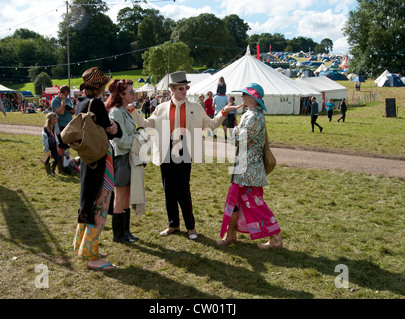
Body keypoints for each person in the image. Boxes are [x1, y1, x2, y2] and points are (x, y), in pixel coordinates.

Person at [127, 71, 240, 240]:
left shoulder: (195, 107)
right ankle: (173, 224)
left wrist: (223, 112)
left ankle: (190, 227)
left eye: (186, 87)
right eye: (181, 88)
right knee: (168, 190)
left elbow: (210, 125)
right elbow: (145, 123)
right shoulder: (161, 107)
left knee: (183, 190)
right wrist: (131, 110)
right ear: (172, 89)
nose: (185, 91)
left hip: (185, 150)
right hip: (165, 150)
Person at [217, 83, 282, 250]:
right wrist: (238, 130)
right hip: (243, 167)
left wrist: (235, 131)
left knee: (255, 205)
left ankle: (275, 238)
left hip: (249, 169)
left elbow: (237, 140)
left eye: (245, 95)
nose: (242, 97)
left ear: (253, 98)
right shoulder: (251, 114)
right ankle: (231, 235)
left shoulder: (254, 117)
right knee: (235, 202)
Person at [72, 67, 121, 271]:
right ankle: (92, 258)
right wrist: (115, 127)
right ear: (100, 86)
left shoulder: (80, 104)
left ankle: (83, 246)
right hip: (101, 161)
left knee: (88, 201)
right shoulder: (97, 104)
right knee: (100, 205)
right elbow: (109, 132)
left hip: (87, 159)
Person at [106, 79, 139, 243]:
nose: (133, 94)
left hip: (129, 155)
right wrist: (139, 141)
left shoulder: (125, 110)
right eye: (130, 91)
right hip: (121, 157)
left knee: (126, 195)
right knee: (120, 196)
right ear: (120, 94)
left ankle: (126, 231)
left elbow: (130, 134)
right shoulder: (116, 112)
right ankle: (118, 234)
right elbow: (120, 140)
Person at [51, 85, 74, 174]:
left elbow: (71, 112)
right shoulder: (55, 101)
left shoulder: (68, 100)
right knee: (61, 147)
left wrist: (72, 110)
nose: (66, 96)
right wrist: (63, 101)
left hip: (68, 125)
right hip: (60, 126)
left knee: (67, 147)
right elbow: (61, 111)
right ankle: (60, 169)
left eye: (67, 95)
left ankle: (66, 166)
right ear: (60, 93)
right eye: (65, 94)